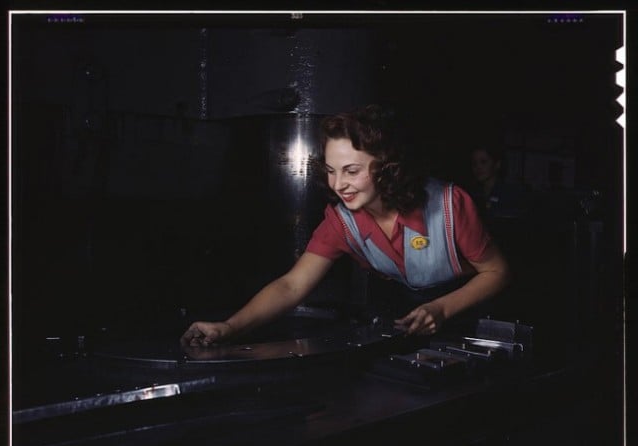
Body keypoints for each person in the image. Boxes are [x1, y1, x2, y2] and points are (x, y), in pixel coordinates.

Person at [181, 105, 510, 347]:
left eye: (351, 171)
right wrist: (229, 327)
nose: (338, 184)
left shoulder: (451, 204)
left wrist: (442, 308)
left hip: (469, 319)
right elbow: (292, 286)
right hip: (407, 324)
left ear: (388, 167)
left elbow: (497, 272)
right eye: (331, 170)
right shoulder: (340, 221)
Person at [468, 143, 528, 221]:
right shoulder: (472, 194)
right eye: (474, 164)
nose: (478, 167)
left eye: (483, 162)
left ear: (497, 164)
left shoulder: (510, 192)